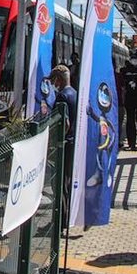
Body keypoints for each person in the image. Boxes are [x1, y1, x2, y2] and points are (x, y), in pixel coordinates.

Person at [51, 65, 78, 228]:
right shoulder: (75, 93)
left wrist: (56, 140)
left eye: (53, 79)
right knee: (68, 181)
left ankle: (61, 221)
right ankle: (67, 218)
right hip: (74, 142)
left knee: (60, 184)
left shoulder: (62, 96)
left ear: (59, 79)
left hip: (65, 143)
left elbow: (65, 122)